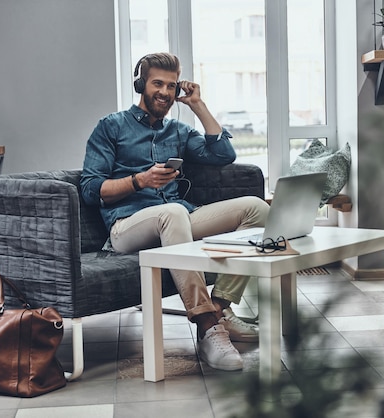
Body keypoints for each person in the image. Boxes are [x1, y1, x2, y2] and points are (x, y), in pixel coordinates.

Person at [80, 52, 270, 371]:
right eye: (157, 84)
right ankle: (207, 326)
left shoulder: (178, 132)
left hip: (176, 218)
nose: (165, 93)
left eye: (171, 86)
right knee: (173, 213)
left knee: (256, 209)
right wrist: (140, 180)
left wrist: (197, 105)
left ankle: (219, 308)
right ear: (141, 84)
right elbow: (89, 189)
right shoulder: (111, 126)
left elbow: (224, 154)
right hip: (126, 228)